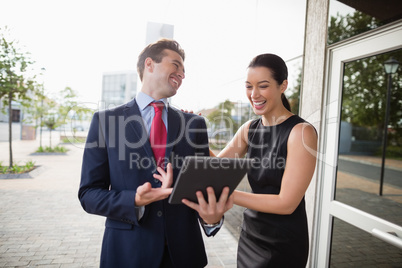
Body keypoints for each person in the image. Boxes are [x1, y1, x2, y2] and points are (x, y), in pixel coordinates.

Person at [78, 38, 232, 268]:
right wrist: (134, 200)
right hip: (127, 253)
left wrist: (212, 219)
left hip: (183, 255)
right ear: (149, 64)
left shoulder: (194, 124)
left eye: (183, 70)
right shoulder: (106, 121)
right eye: (176, 65)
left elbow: (202, 189)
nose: (181, 74)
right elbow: (88, 194)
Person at [183, 53, 318, 267]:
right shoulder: (249, 129)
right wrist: (192, 132)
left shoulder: (301, 132)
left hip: (284, 242)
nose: (254, 94)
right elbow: (217, 166)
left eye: (263, 86)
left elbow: (286, 204)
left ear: (283, 86)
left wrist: (228, 195)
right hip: (251, 235)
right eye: (249, 86)